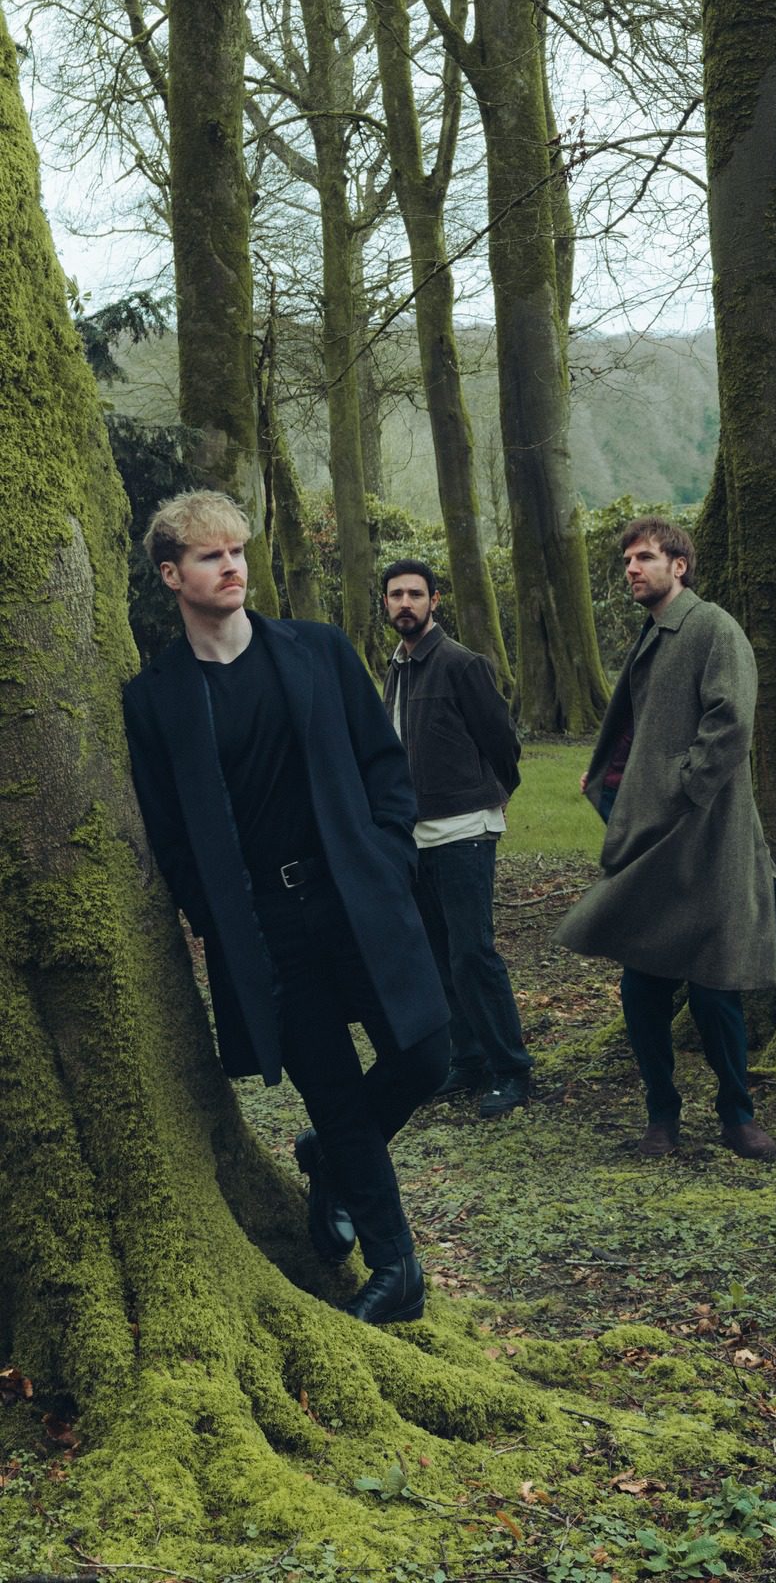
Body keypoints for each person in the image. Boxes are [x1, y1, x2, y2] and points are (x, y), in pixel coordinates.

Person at [122, 491, 449, 1324]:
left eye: (237, 550)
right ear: (171, 574)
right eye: (210, 555)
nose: (232, 565)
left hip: (357, 896)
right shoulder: (155, 698)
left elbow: (383, 765)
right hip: (263, 926)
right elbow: (171, 836)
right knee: (331, 1090)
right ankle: (396, 1268)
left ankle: (327, 1160)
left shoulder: (317, 651)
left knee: (426, 1057)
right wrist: (215, 918)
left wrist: (387, 858)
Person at [556, 517, 776, 1159]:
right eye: (628, 559)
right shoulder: (652, 634)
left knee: (714, 986)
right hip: (653, 837)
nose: (632, 568)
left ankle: (737, 1117)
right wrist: (614, 777)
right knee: (642, 983)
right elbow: (638, 726)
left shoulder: (713, 628)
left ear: (679, 565)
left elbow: (731, 721)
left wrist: (682, 787)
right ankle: (662, 1116)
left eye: (645, 557)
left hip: (708, 834)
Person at [380, 560, 531, 1119]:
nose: (405, 603)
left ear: (434, 600)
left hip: (464, 831)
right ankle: (467, 1060)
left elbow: (502, 741)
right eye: (396, 594)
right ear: (385, 603)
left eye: (415, 594)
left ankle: (511, 1067)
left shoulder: (462, 663)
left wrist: (495, 793)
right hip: (414, 836)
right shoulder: (397, 668)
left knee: (472, 954)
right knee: (439, 955)